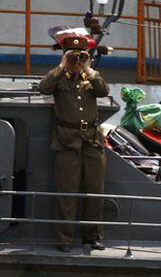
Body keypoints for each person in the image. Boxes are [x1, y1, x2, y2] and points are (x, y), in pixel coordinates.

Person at [38, 36, 109, 253]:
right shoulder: (60, 77)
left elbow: (103, 90)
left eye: (81, 55)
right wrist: (62, 65)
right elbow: (43, 87)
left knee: (95, 191)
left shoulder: (89, 76)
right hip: (67, 141)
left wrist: (88, 67)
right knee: (66, 194)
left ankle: (92, 237)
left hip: (92, 140)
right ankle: (64, 240)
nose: (77, 59)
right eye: (73, 55)